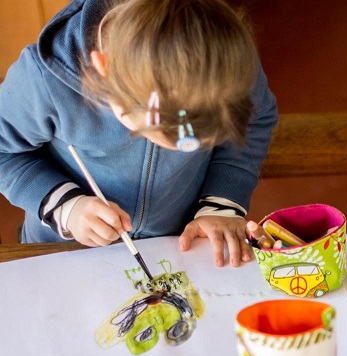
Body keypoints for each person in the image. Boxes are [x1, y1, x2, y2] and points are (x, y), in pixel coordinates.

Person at [0, 0, 277, 267]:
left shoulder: (226, 64)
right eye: (153, 133)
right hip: (63, 252)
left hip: (178, 245)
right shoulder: (43, 80)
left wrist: (223, 204)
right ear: (104, 69)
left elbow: (255, 121)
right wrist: (66, 207)